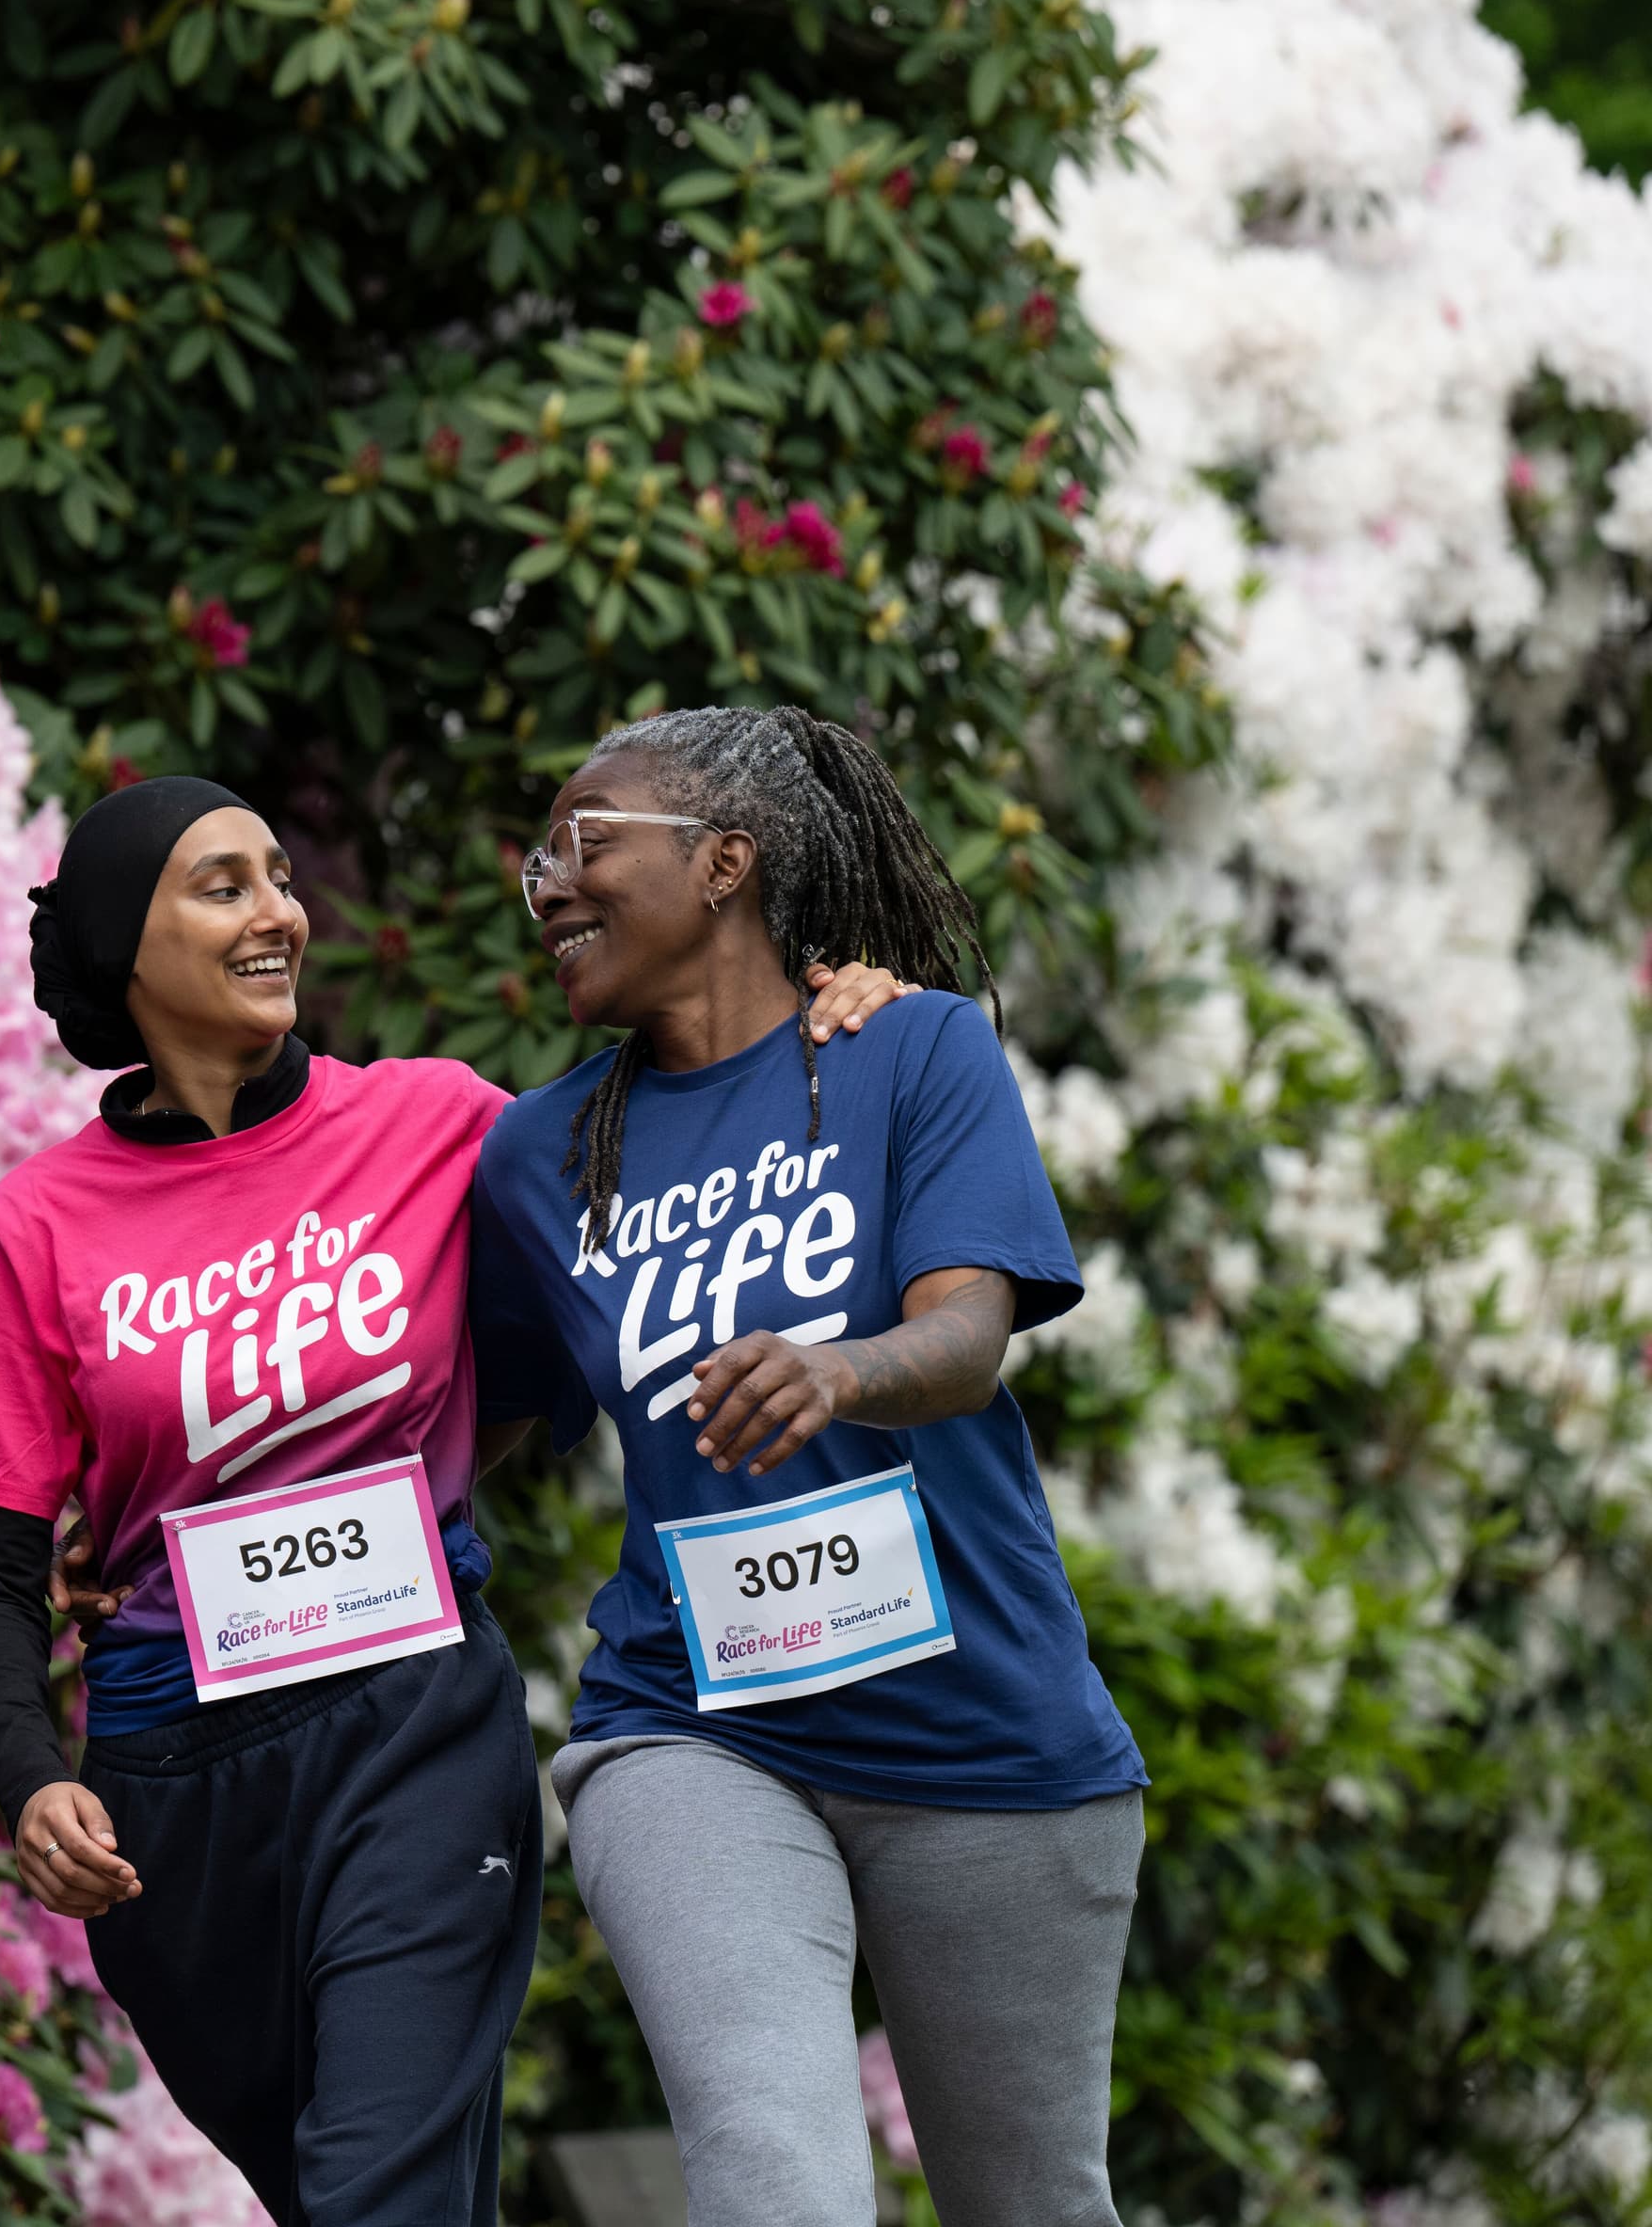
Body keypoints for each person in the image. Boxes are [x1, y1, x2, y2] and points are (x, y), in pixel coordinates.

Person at [0, 774, 911, 2227]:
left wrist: (835, 1022)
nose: (279, 913)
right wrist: (32, 1779)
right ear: (128, 947)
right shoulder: (39, 1223)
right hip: (174, 1798)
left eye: (278, 877)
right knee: (356, 2199)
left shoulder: (438, 1124)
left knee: (379, 2193)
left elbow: (694, 1144)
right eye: (223, 885)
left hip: (417, 1735)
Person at [469, 706, 1147, 2227]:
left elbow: (970, 1334)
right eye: (539, 862)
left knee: (1030, 2199)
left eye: (587, 843)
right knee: (776, 2175)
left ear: (726, 861)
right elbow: (467, 1427)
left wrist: (841, 1370)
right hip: (693, 1729)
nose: (548, 887)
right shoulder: (539, 1157)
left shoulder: (911, 1049)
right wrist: (180, 1532)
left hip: (983, 1739)